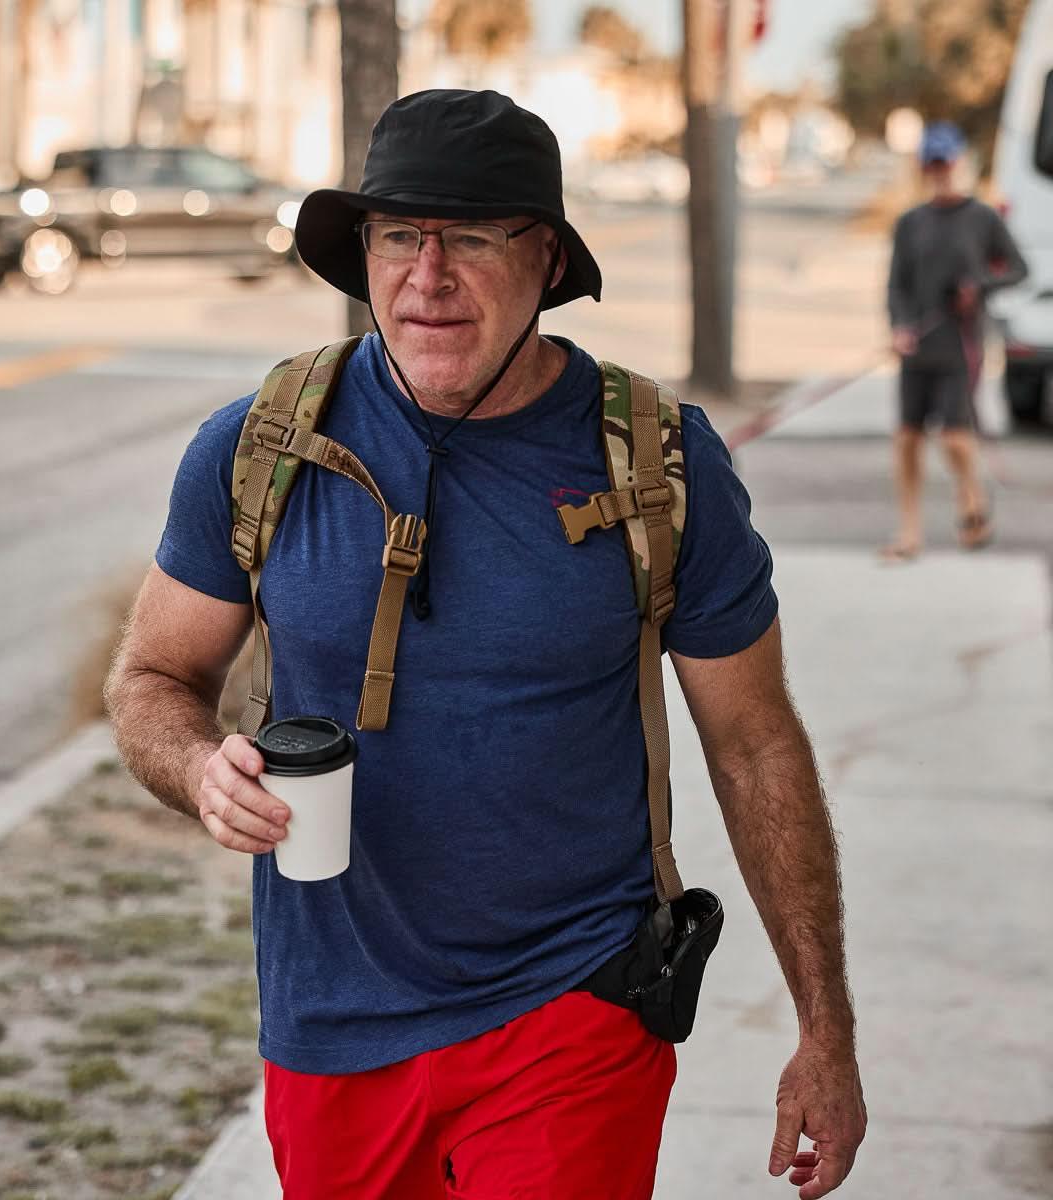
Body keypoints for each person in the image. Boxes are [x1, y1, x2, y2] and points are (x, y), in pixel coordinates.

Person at [106, 90, 865, 1199]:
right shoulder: (261, 446)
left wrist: (824, 1027)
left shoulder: (657, 465)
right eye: (399, 236)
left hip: (571, 1008)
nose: (427, 277)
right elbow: (153, 677)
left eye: (468, 236)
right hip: (329, 1016)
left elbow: (755, 744)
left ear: (546, 259)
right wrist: (195, 769)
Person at [883, 120, 1028, 561]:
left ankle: (973, 498)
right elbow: (896, 285)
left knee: (954, 438)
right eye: (932, 164)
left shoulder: (982, 217)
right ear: (924, 168)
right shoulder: (910, 222)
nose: (940, 170)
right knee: (907, 440)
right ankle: (909, 534)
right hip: (917, 349)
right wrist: (900, 325)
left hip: (960, 347)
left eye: (946, 162)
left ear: (961, 162)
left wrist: (979, 286)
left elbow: (1020, 268)